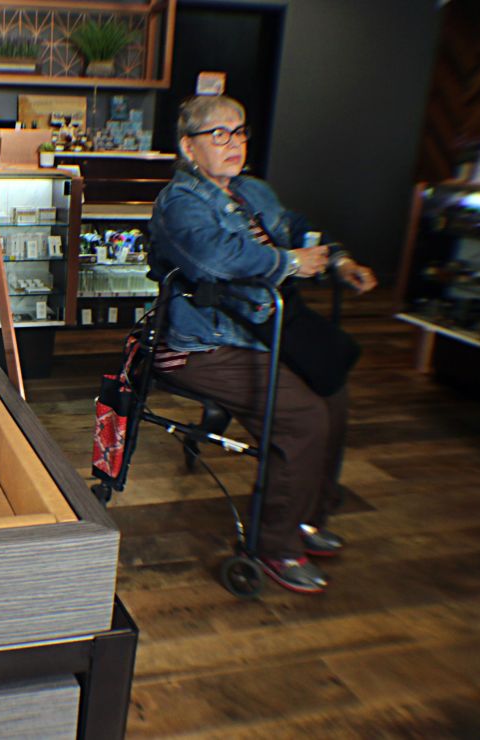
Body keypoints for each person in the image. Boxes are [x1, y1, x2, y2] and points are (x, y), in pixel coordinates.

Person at [147, 94, 377, 594]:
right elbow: (213, 261)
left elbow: (297, 227)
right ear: (189, 147)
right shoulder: (179, 204)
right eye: (219, 134)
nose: (235, 143)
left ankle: (306, 519)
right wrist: (290, 263)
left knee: (332, 396)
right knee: (303, 420)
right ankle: (274, 545)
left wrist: (336, 258)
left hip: (262, 329)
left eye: (241, 131)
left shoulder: (254, 191)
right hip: (201, 345)